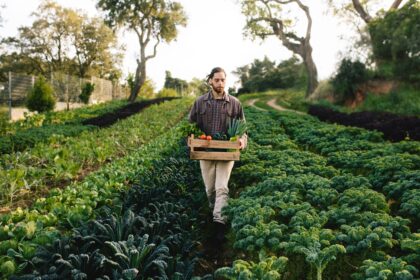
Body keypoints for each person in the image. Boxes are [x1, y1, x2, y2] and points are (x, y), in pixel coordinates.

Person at [189, 67, 247, 244]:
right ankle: (214, 212)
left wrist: (242, 141)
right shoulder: (199, 103)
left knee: (222, 187)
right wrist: (190, 139)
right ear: (210, 81)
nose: (220, 83)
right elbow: (190, 126)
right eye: (217, 80)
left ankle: (219, 224)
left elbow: (243, 128)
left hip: (226, 151)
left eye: (223, 80)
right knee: (210, 189)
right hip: (205, 151)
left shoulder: (234, 103)